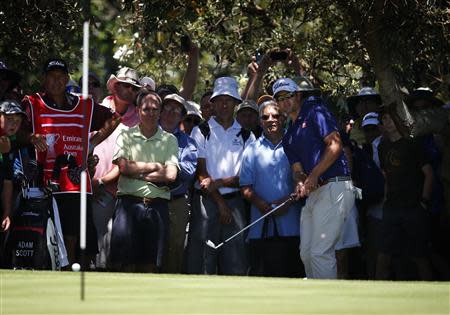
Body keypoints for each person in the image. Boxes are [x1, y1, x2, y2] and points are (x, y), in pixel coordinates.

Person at [21, 58, 121, 268]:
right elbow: (14, 128)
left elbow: (114, 118)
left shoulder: (83, 104)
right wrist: (31, 138)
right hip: (44, 184)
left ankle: (71, 280)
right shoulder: (32, 103)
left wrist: (91, 144)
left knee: (75, 238)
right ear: (44, 79)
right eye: (51, 76)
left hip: (77, 185)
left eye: (60, 77)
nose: (56, 81)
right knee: (48, 236)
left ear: (67, 79)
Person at [276, 77, 356, 279]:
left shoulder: (315, 112)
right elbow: (297, 170)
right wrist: (301, 180)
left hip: (335, 186)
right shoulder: (288, 135)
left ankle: (328, 305)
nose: (285, 101)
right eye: (280, 98)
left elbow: (335, 145)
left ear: (299, 96)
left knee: (320, 252)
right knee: (307, 253)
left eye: (288, 95)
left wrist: (312, 175)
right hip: (316, 193)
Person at [186, 76, 255, 275]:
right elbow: (201, 172)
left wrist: (220, 183)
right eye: (220, 100)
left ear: (235, 103)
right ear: (213, 103)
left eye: (229, 100)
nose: (224, 104)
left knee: (236, 263)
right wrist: (220, 202)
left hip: (236, 203)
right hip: (206, 203)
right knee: (202, 262)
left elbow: (246, 176)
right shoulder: (201, 131)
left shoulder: (246, 135)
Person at [110, 90, 179, 273]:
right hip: (128, 205)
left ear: (160, 112)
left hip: (158, 207)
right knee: (123, 265)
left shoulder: (169, 139)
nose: (150, 113)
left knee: (151, 265)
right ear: (138, 110)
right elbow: (124, 168)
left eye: (155, 109)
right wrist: (156, 166)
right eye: (146, 109)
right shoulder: (125, 136)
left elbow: (171, 175)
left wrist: (137, 172)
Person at [240, 100, 302, 277]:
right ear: (260, 122)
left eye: (275, 116)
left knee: (292, 279)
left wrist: (289, 200)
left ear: (283, 118)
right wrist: (262, 204)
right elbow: (245, 187)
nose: (271, 120)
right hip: (261, 229)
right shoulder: (251, 150)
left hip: (293, 226)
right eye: (265, 117)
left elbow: (304, 180)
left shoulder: (295, 145)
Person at [90, 66, 142, 269]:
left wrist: (101, 182)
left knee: (120, 244)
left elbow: (128, 159)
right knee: (99, 241)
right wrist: (92, 183)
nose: (129, 91)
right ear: (115, 86)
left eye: (133, 88)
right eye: (125, 86)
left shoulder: (138, 118)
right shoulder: (99, 110)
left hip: (124, 190)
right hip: (97, 190)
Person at [375, 111, 433, 280]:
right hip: (392, 207)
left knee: (419, 256)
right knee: (383, 256)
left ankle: (431, 297)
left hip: (414, 207)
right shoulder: (382, 146)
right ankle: (375, 298)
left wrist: (424, 201)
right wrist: (386, 200)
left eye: (391, 117)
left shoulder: (412, 143)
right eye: (384, 118)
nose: (388, 121)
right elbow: (386, 177)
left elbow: (429, 173)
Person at [159, 93, 198, 273]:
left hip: (176, 201)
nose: (170, 113)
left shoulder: (187, 142)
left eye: (175, 111)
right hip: (149, 199)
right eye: (166, 109)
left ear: (182, 117)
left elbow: (189, 171)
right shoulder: (148, 134)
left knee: (175, 249)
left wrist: (167, 167)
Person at [0, 100, 26, 264]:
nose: (13, 125)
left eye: (17, 122)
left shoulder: (9, 143)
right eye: (9, 119)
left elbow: (7, 182)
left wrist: (7, 213)